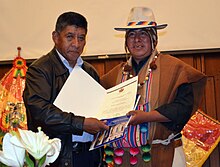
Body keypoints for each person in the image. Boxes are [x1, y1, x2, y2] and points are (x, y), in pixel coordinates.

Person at [101, 7, 207, 167]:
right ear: (126, 41)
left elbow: (183, 108)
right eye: (131, 35)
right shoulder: (114, 75)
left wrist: (147, 116)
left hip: (163, 153)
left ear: (154, 38)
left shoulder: (175, 68)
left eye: (143, 33)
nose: (137, 40)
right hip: (123, 158)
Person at [23, 11, 109, 167]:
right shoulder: (40, 69)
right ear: (56, 37)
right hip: (59, 159)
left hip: (91, 155)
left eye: (81, 38)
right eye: (69, 37)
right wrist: (81, 124)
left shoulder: (90, 71)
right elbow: (40, 112)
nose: (76, 44)